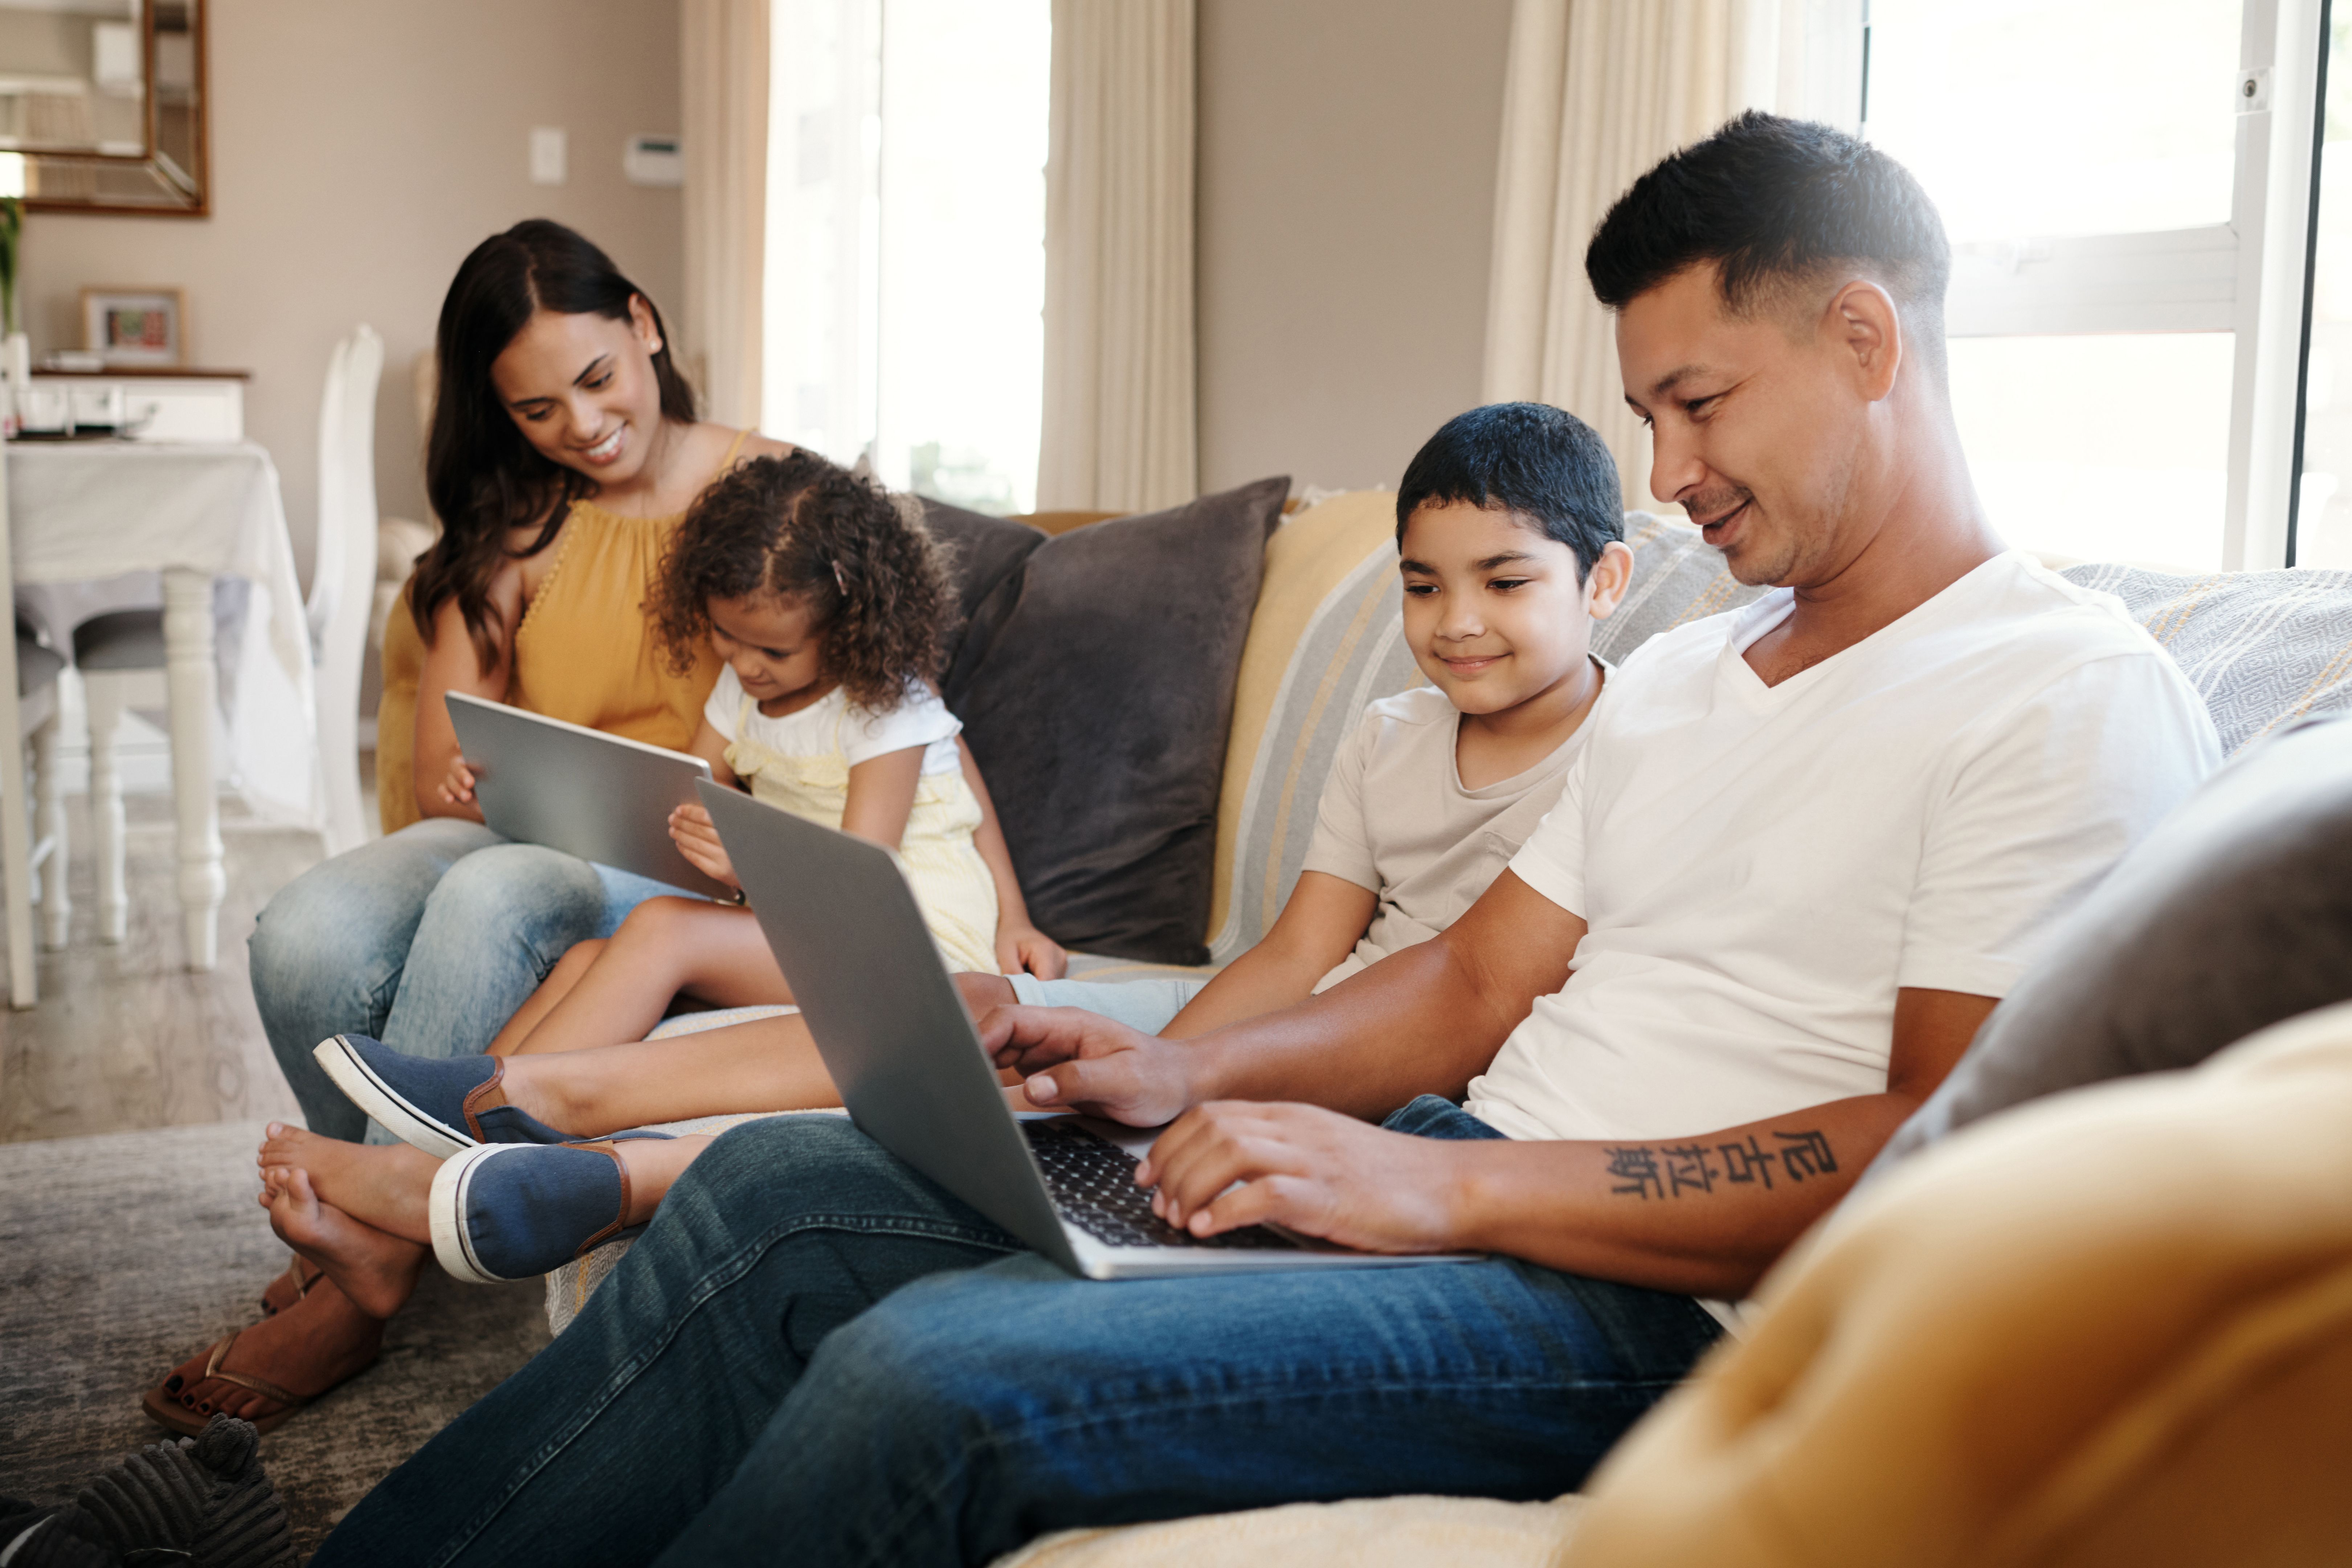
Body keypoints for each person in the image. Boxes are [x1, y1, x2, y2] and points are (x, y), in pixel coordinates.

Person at [309, 113, 2223, 1567]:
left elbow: (1935, 1146)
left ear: (1869, 339)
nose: (1672, 471)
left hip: (1653, 1313)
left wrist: (1452, 1195)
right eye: (1649, 413)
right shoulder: (1701, 670)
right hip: (1456, 1175)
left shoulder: (2062, 698)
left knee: (931, 1379)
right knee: (775, 1190)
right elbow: (1470, 982)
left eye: (1701, 405)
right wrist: (1164, 1066)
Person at [246, 402, 1635, 1286]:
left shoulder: (1631, 757)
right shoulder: (1394, 734)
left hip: (1383, 1077)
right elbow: (1301, 946)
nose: (1458, 622)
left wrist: (1178, 1077)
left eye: (1507, 583)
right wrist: (1161, 1063)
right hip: (1289, 1021)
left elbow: (1470, 997)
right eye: (1423, 584)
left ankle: (554, 1137)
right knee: (962, 1023)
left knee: (982, 1072)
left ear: (1607, 585)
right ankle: (543, 1116)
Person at [145, 218, 799, 1436]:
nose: (583, 426)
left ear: (645, 325)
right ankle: (377, 1221)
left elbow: (844, 705)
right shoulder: (525, 521)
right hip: (529, 828)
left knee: (494, 898)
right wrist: (462, 780)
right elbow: (455, 743)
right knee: (306, 928)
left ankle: (365, 1271)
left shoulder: (774, 492)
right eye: (538, 410)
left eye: (597, 379)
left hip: (691, 868)